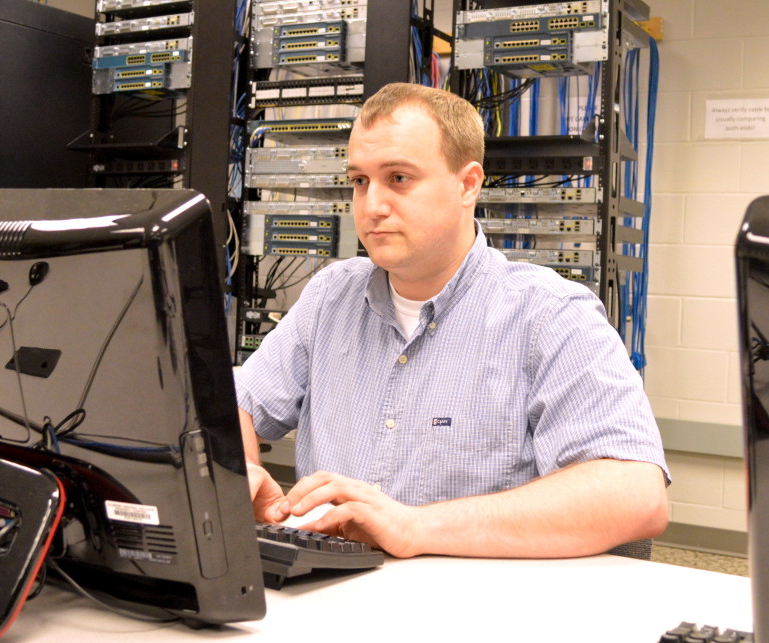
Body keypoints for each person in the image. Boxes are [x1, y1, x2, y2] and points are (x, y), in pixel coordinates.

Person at [234, 82, 669, 560]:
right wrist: (239, 469)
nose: (372, 206)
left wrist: (416, 527)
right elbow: (236, 404)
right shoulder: (330, 296)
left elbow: (635, 494)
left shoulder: (548, 314)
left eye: (398, 178)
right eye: (360, 181)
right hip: (332, 595)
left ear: (468, 185)